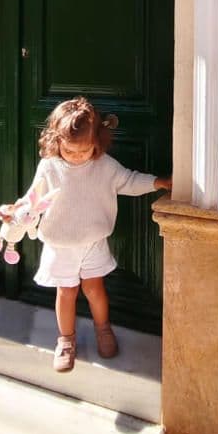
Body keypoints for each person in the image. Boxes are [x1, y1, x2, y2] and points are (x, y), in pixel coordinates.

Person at [28, 96, 171, 372]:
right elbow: (35, 197)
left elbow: (128, 180)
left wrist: (157, 182)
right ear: (57, 141)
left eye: (84, 151)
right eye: (70, 151)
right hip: (61, 244)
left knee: (95, 288)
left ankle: (103, 329)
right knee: (66, 291)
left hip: (93, 242)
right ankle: (66, 341)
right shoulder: (50, 166)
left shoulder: (103, 165)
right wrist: (20, 210)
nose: (77, 157)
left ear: (98, 141)